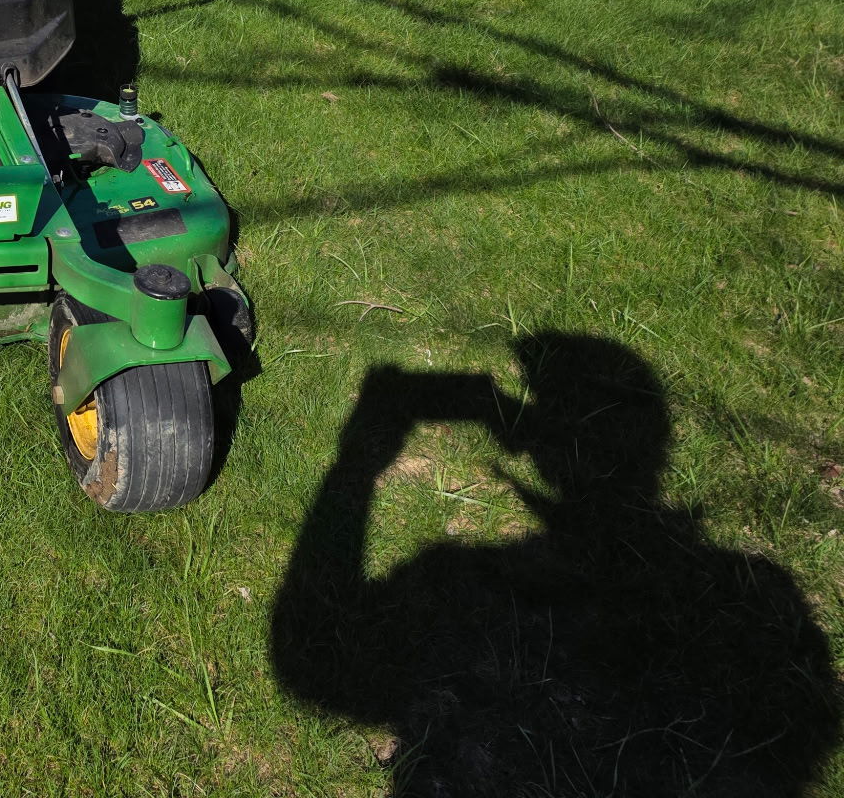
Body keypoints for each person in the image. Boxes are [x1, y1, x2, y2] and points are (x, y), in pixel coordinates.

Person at [271, 334, 839, 796]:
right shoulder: (756, 599)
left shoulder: (456, 584)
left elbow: (311, 666)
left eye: (544, 404)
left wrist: (359, 462)